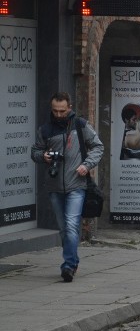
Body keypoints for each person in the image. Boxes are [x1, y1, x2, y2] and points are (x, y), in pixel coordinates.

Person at [31, 92, 104, 282]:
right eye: (55, 111)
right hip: (55, 187)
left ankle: (68, 266)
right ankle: (73, 260)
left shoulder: (80, 125)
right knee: (64, 229)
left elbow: (98, 147)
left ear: (69, 107)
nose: (58, 114)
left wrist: (86, 165)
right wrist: (43, 157)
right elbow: (35, 150)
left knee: (72, 226)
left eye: (62, 111)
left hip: (76, 185)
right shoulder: (45, 130)